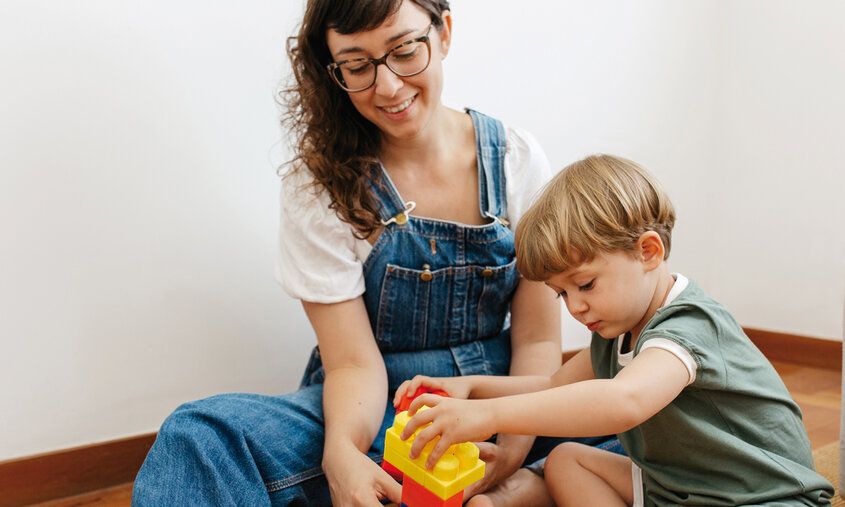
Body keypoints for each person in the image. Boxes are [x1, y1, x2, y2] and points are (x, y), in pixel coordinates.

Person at [132, 1, 615, 505]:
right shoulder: (318, 184)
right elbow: (352, 365)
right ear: (333, 70)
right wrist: (341, 453)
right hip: (370, 407)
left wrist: (513, 447)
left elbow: (538, 341)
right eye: (358, 66)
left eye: (405, 51)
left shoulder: (516, 160)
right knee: (200, 437)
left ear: (443, 33)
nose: (387, 87)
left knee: (644, 405)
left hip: (500, 400)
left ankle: (524, 482)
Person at [395, 155, 834, 506]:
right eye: (561, 294)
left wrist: (487, 417)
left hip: (762, 494)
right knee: (567, 461)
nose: (576, 307)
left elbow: (624, 401)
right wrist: (470, 387)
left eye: (585, 285)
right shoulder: (615, 330)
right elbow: (550, 386)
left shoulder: (686, 326)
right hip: (682, 487)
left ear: (647, 251)